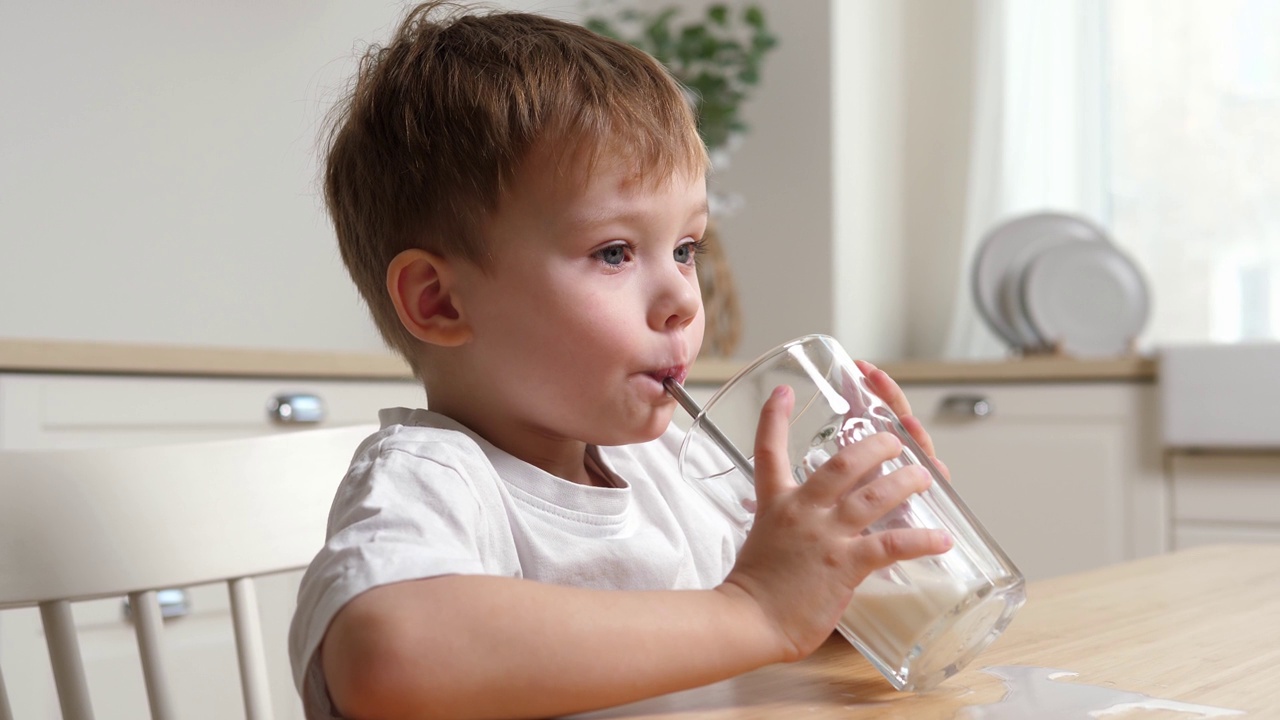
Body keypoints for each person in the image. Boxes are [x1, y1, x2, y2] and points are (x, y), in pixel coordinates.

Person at [287, 3, 953, 719]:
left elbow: (803, 633)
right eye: (614, 252)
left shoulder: (675, 466)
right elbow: (387, 657)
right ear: (441, 303)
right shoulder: (437, 478)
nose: (681, 300)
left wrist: (868, 542)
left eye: (685, 249)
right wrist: (754, 609)